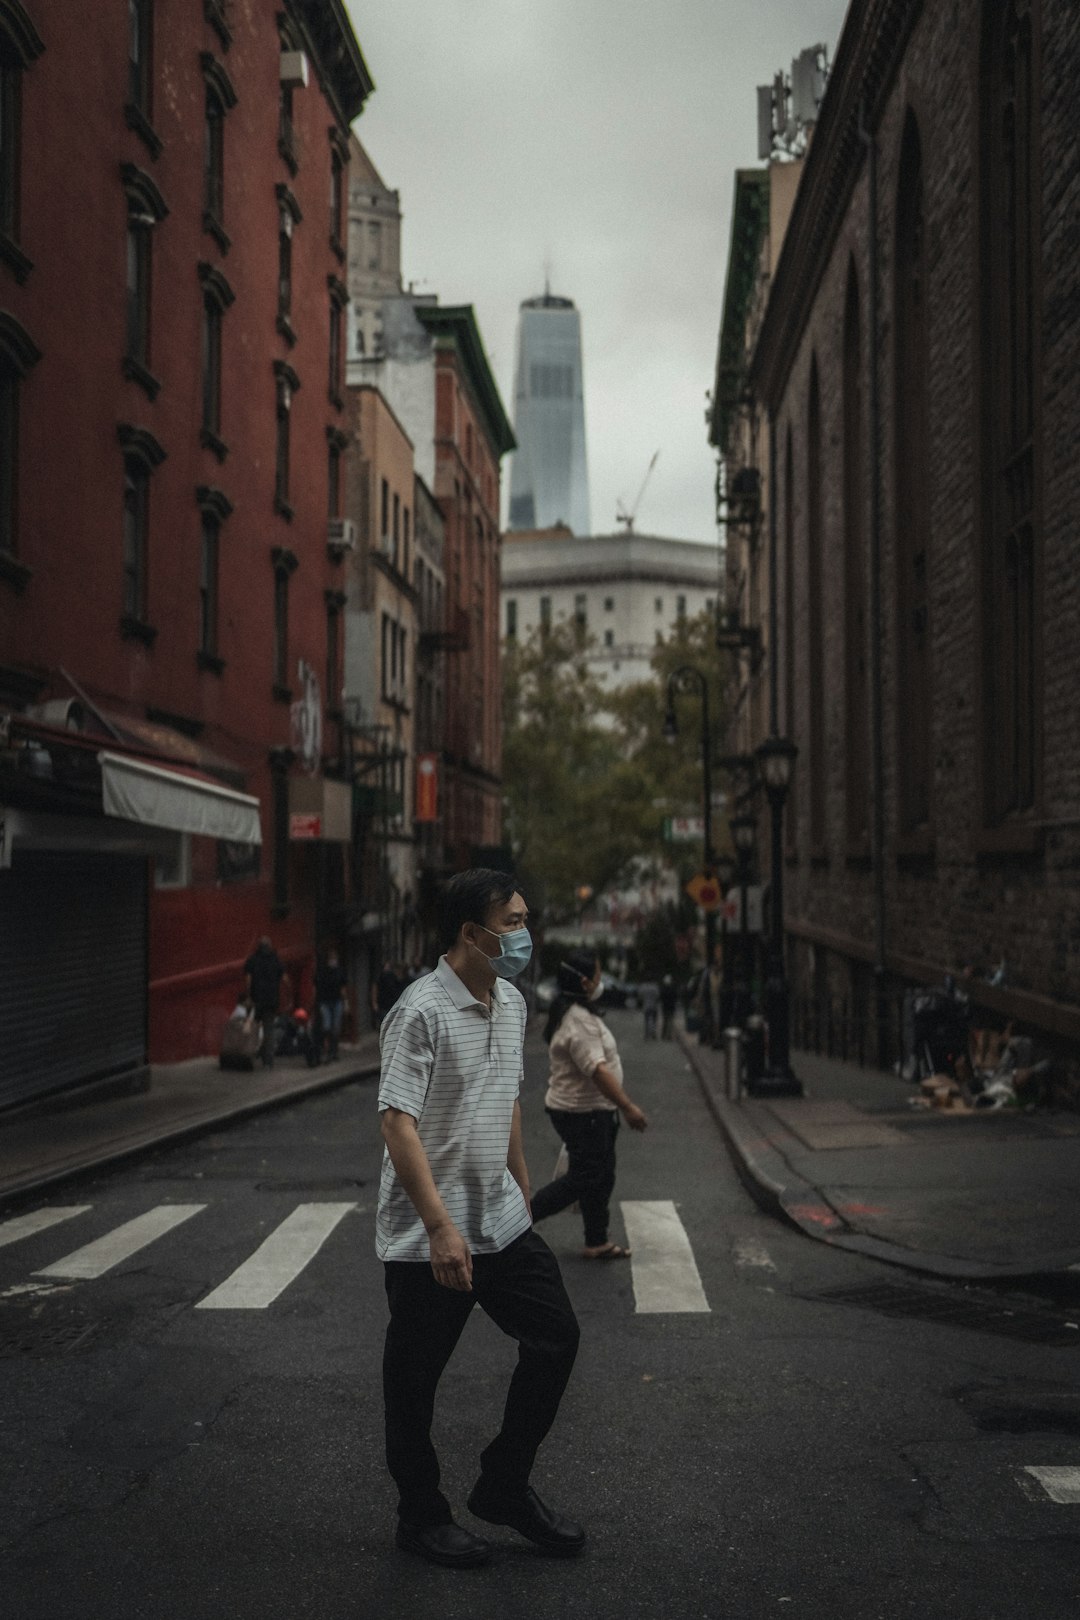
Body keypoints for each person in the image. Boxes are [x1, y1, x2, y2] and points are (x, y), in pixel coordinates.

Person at [377, 868, 584, 1569]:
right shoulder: (421, 1011)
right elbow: (397, 1122)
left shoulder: (513, 1003)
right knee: (414, 1380)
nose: (526, 935)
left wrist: (521, 1181)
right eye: (514, 923)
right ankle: (421, 1515)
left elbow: (511, 1096)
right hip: (429, 1233)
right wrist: (438, 1227)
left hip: (499, 1219)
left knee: (556, 1338)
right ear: (472, 933)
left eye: (527, 919)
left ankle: (503, 1486)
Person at [531, 949, 648, 1260]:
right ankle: (519, 1222)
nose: (600, 981)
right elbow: (597, 1069)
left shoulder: (577, 1012)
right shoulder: (578, 1020)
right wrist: (628, 1106)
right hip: (582, 1112)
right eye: (597, 975)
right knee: (585, 1177)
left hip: (593, 1111)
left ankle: (596, 1240)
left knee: (601, 1174)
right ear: (584, 981)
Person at [244, 936, 285, 1068]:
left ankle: (249, 1056)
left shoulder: (252, 960)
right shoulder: (275, 960)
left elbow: (248, 980)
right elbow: (283, 978)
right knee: (269, 1031)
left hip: (257, 1000)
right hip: (271, 1000)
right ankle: (268, 1060)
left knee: (253, 1029)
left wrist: (249, 996)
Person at [315, 946, 349, 1062]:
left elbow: (343, 987)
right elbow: (317, 986)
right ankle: (328, 1049)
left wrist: (346, 1002)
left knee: (335, 1027)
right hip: (325, 1001)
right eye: (331, 959)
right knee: (327, 1026)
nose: (333, 961)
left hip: (336, 1001)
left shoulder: (339, 971)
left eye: (334, 958)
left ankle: (333, 1051)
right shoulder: (323, 972)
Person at [372, 959, 404, 1028]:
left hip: (391, 1005)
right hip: (383, 1005)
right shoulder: (381, 977)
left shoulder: (394, 977)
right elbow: (375, 989)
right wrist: (374, 1003)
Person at [659, 975, 678, 1040]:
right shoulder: (673, 989)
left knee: (665, 1021)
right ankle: (669, 1035)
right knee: (670, 1021)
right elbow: (676, 997)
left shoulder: (663, 989)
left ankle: (663, 1035)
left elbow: (661, 998)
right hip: (672, 1007)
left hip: (665, 1007)